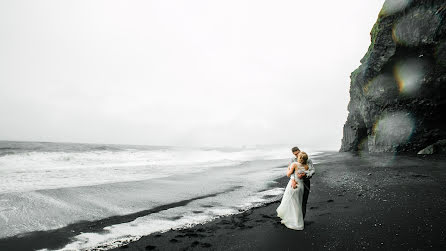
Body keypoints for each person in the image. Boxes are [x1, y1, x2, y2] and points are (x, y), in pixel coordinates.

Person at [276, 152, 309, 230]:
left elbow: (288, 174)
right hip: (301, 186)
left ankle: (291, 221)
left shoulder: (294, 164)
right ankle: (298, 222)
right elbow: (303, 176)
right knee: (298, 204)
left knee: (289, 202)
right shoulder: (306, 166)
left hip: (293, 185)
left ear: (299, 158)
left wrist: (288, 168)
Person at [289, 146, 315, 219]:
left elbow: (312, 170)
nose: (297, 156)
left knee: (304, 201)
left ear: (300, 151)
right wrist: (293, 181)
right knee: (295, 201)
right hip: (296, 183)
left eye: (298, 153)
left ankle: (301, 219)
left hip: (306, 182)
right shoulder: (292, 160)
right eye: (295, 154)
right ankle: (295, 218)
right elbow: (291, 172)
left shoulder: (307, 159)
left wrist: (306, 174)